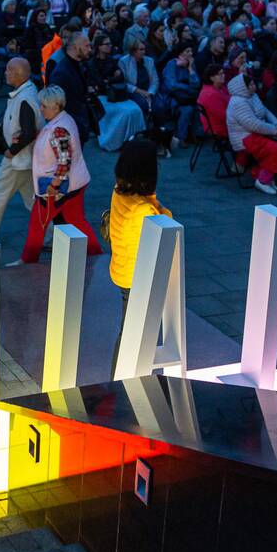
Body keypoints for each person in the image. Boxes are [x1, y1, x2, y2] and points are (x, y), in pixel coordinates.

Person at [19, 85, 103, 264]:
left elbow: (64, 161)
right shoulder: (65, 120)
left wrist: (54, 184)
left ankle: (27, 262)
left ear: (55, 106)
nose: (41, 109)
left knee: (37, 224)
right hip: (76, 183)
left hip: (56, 188)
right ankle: (97, 255)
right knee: (77, 220)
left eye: (44, 106)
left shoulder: (58, 129)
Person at [107, 139, 170, 376]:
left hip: (123, 270)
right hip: (138, 278)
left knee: (127, 330)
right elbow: (166, 223)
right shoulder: (144, 210)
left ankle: (121, 380)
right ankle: (124, 381)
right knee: (134, 334)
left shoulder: (120, 192)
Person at [0, 58, 43, 235]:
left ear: (17, 74)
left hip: (17, 160)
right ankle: (51, 234)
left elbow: (28, 133)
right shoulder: (28, 93)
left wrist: (10, 151)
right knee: (31, 200)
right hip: (26, 159)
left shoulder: (24, 99)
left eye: (8, 70)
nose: (5, 73)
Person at [226, 72, 277, 195]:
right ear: (243, 87)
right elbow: (253, 124)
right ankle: (262, 180)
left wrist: (276, 123)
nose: (254, 86)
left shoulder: (252, 96)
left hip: (258, 133)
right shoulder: (238, 102)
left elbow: (264, 111)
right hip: (245, 138)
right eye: (250, 85)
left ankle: (265, 176)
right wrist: (274, 130)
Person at [47, 31, 93, 143]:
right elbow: (55, 106)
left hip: (78, 125)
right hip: (69, 130)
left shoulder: (78, 65)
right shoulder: (61, 73)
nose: (90, 49)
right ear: (75, 47)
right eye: (87, 46)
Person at [160, 41, 200, 147]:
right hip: (172, 96)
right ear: (180, 54)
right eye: (187, 51)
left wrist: (190, 68)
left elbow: (196, 84)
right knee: (187, 109)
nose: (191, 53)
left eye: (191, 51)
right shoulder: (171, 64)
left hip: (187, 96)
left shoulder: (191, 64)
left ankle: (195, 133)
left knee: (197, 108)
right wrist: (187, 88)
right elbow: (171, 85)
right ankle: (181, 137)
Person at [197, 64, 230, 137]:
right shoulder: (210, 94)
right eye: (220, 74)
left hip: (225, 121)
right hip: (219, 127)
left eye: (223, 73)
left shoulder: (220, 87)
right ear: (211, 78)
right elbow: (224, 116)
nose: (223, 75)